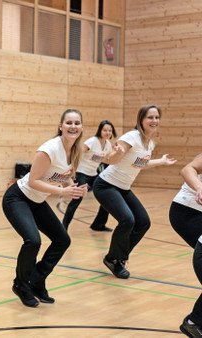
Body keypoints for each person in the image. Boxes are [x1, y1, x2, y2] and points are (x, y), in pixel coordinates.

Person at [2, 109, 87, 308]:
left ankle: (37, 281)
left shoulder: (76, 150)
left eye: (76, 123)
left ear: (81, 127)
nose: (73, 126)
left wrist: (71, 188)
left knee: (62, 240)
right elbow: (32, 181)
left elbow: (64, 174)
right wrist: (61, 192)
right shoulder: (49, 149)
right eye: (68, 123)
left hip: (37, 201)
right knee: (33, 241)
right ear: (61, 126)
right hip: (18, 198)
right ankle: (21, 285)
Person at [94, 104, 176, 279]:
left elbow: (140, 163)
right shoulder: (132, 137)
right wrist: (119, 153)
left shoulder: (149, 143)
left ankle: (117, 258)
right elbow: (110, 159)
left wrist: (161, 161)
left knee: (143, 222)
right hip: (106, 185)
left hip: (123, 188)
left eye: (156, 117)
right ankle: (115, 260)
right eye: (150, 117)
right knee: (127, 220)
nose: (154, 121)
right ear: (141, 119)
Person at [169, 155, 202, 337]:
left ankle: (195, 321)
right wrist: (200, 187)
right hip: (187, 211)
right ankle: (194, 322)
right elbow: (187, 169)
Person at [62, 120, 116, 231]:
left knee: (107, 196)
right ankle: (63, 227)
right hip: (82, 173)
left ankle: (98, 224)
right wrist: (70, 170)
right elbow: (77, 153)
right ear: (100, 130)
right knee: (77, 198)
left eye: (110, 130)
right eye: (105, 130)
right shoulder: (92, 141)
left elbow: (109, 159)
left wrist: (118, 151)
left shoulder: (108, 145)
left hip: (94, 174)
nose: (107, 132)